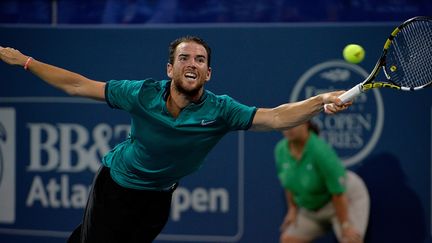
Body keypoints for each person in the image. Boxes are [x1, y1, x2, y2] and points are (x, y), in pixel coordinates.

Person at [0, 36, 350, 243]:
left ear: (208, 73)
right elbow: (76, 85)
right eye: (184, 57)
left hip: (158, 200)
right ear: (171, 68)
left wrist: (319, 101)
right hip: (116, 187)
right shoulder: (140, 94)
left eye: (200, 59)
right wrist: (25, 61)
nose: (191, 63)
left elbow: (276, 116)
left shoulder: (221, 110)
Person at [274, 121, 369, 243]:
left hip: (345, 199)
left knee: (351, 241)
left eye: (295, 123)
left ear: (306, 123)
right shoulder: (280, 150)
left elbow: (338, 192)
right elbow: (288, 182)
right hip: (313, 208)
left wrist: (345, 224)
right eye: (286, 123)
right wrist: (292, 209)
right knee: (288, 240)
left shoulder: (320, 151)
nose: (289, 128)